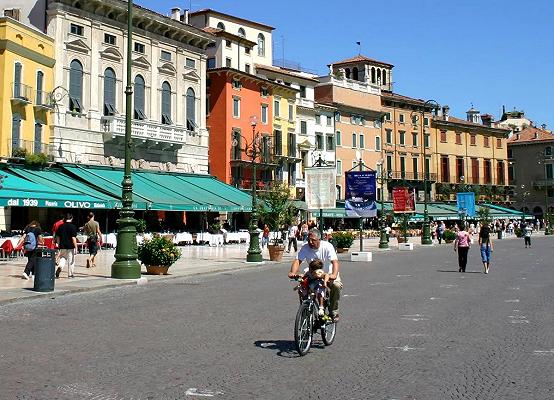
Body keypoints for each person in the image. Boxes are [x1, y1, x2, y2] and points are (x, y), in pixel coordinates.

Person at [288, 229, 342, 321]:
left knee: (336, 286)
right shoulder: (305, 248)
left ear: (319, 239)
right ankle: (305, 309)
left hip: (327, 274)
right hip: (312, 275)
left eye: (313, 240)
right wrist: (292, 272)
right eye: (309, 239)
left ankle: (333, 311)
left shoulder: (327, 246)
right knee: (302, 288)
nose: (310, 242)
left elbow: (335, 262)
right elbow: (298, 261)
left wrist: (334, 275)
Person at [55, 213, 78, 278]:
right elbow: (73, 238)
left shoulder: (60, 226)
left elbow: (58, 237)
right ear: (71, 218)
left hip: (62, 245)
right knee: (71, 260)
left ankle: (60, 267)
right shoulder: (73, 227)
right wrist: (76, 247)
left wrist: (59, 244)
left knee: (63, 258)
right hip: (70, 246)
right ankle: (70, 274)